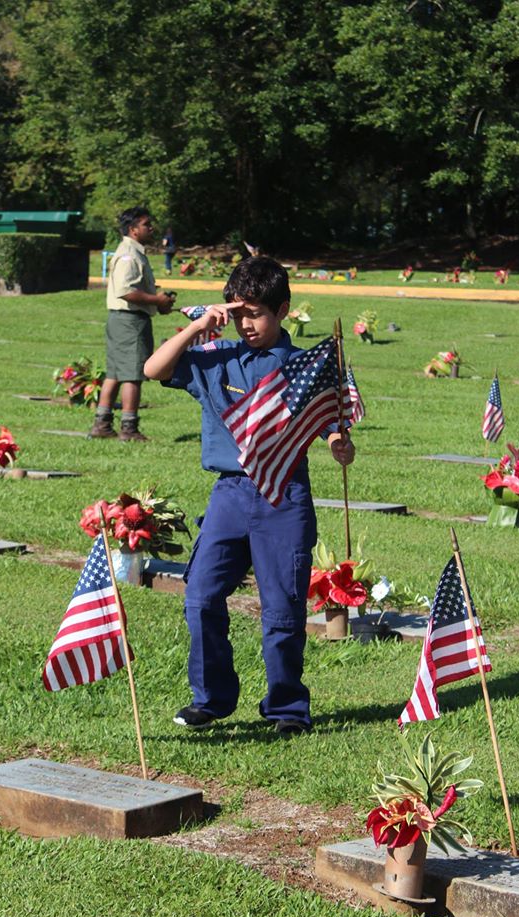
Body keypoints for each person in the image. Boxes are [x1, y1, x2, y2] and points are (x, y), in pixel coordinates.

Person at [144, 257, 355, 735]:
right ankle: (212, 699)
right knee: (200, 596)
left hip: (283, 495)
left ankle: (286, 708)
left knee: (282, 611)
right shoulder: (216, 356)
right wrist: (198, 325)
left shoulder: (303, 366)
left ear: (282, 310)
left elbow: (327, 423)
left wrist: (338, 444)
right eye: (238, 313)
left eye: (256, 313)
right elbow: (153, 367)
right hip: (230, 495)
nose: (246, 324)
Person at [89, 206, 175, 441]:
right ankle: (129, 427)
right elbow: (126, 291)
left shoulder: (134, 251)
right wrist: (157, 299)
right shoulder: (129, 254)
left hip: (123, 319)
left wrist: (158, 303)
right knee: (132, 374)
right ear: (133, 229)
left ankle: (102, 424)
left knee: (115, 373)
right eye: (146, 224)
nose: (151, 228)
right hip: (129, 321)